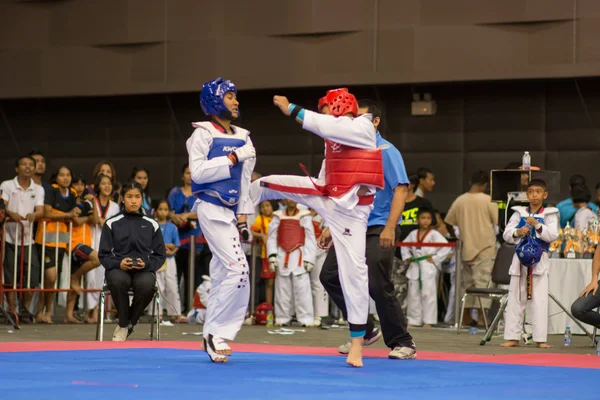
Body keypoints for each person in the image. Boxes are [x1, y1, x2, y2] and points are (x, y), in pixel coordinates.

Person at [252, 88, 385, 368]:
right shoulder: (331, 138)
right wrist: (324, 220)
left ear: (338, 108)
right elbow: (328, 171)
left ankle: (358, 342)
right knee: (265, 183)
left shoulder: (361, 125)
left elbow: (328, 125)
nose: (322, 116)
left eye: (325, 110)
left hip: (352, 212)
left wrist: (292, 110)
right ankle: (238, 213)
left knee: (354, 273)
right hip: (326, 195)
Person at [318, 98, 416, 360]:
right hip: (350, 224)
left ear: (375, 121)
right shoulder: (350, 150)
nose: (355, 123)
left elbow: (401, 189)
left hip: (377, 225)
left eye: (362, 118)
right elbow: (346, 192)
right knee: (328, 276)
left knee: (376, 281)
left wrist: (390, 227)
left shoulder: (385, 150)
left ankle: (402, 341)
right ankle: (367, 329)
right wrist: (331, 226)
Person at [187, 77, 256, 362]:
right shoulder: (202, 134)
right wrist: (231, 158)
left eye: (236, 96)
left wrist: (243, 218)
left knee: (221, 274)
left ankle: (210, 334)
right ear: (215, 101)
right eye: (229, 96)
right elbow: (198, 173)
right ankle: (217, 332)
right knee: (238, 270)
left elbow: (245, 181)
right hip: (210, 207)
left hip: (230, 211)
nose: (236, 101)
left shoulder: (244, 136)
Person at [98, 182, 166, 341]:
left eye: (137, 197)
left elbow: (160, 254)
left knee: (147, 285)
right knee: (116, 280)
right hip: (118, 268)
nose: (133, 201)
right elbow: (104, 254)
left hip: (143, 269)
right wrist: (118, 263)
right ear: (122, 199)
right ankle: (123, 324)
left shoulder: (152, 224)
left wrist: (147, 265)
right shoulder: (112, 223)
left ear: (142, 199)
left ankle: (128, 323)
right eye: (129, 197)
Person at [501, 179, 558, 348]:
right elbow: (506, 234)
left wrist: (538, 226)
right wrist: (518, 231)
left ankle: (540, 339)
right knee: (515, 298)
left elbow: (553, 235)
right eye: (531, 191)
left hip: (539, 258)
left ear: (544, 194)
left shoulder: (550, 214)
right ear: (527, 194)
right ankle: (513, 336)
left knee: (539, 299)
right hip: (520, 258)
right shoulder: (518, 213)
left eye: (538, 192)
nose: (534, 195)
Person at [445, 170, 498, 326]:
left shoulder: (459, 200)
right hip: (485, 246)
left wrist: (455, 237)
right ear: (485, 185)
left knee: (466, 284)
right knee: (483, 282)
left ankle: (466, 316)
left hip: (465, 246)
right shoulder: (488, 200)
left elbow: (448, 221)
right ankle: (482, 316)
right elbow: (498, 222)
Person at [34, 166, 83, 323]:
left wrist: (78, 209)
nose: (66, 178)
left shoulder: (73, 193)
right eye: (62, 175)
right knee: (50, 277)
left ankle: (45, 313)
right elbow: (47, 212)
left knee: (52, 280)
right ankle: (42, 311)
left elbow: (76, 211)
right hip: (46, 238)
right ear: (56, 178)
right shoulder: (51, 190)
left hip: (62, 241)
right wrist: (68, 214)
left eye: (68, 175)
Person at [0, 156, 44, 315]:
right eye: (24, 164)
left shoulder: (38, 188)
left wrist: (35, 214)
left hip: (28, 239)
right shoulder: (7, 185)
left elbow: (41, 210)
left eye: (31, 165)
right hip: (9, 238)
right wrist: (11, 213)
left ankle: (25, 310)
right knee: (10, 277)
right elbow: (2, 205)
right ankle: (12, 311)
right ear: (17, 168)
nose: (28, 167)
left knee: (32, 278)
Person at [267, 199, 316, 326]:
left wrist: (309, 258)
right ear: (285, 200)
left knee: (302, 290)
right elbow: (272, 237)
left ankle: (306, 319)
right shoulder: (278, 216)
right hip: (282, 255)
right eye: (289, 198)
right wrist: (272, 257)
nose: (292, 201)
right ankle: (282, 318)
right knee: (282, 290)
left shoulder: (304, 216)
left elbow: (310, 238)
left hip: (299, 255)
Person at [401, 208, 450, 328]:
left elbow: (446, 247)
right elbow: (404, 246)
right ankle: (414, 319)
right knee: (413, 294)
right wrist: (407, 257)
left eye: (428, 218)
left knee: (429, 294)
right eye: (423, 218)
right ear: (418, 220)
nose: (425, 221)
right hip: (415, 265)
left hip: (428, 265)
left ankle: (428, 321)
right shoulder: (413, 234)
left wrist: (436, 258)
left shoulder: (434, 234)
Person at [86, 174, 120, 323]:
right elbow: (93, 220)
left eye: (109, 184)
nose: (107, 186)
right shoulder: (91, 202)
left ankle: (98, 311)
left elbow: (116, 226)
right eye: (104, 183)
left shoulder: (115, 206)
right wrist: (93, 203)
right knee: (90, 278)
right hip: (92, 241)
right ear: (98, 186)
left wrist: (104, 222)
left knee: (101, 278)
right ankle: (90, 311)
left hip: (108, 244)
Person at [168, 163, 202, 312]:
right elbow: (167, 211)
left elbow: (203, 212)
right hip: (178, 239)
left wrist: (187, 215)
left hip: (195, 240)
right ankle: (175, 309)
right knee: (176, 275)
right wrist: (175, 217)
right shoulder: (175, 192)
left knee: (192, 276)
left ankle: (190, 308)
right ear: (182, 176)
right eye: (187, 173)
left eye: (192, 173)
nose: (190, 176)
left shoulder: (200, 192)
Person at [154, 199, 187, 323]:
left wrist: (172, 251)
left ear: (168, 211)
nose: (163, 212)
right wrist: (163, 247)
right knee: (158, 286)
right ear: (156, 211)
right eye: (160, 209)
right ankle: (157, 313)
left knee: (172, 286)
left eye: (165, 209)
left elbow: (177, 245)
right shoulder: (153, 225)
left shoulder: (172, 227)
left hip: (170, 259)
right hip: (157, 259)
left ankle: (175, 313)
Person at [250, 200, 277, 305]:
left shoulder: (278, 217)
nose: (265, 208)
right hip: (266, 254)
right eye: (262, 207)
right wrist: (261, 235)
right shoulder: (259, 219)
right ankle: (269, 309)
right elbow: (252, 231)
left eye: (267, 205)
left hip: (282, 253)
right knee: (269, 283)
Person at [309, 209, 329, 326]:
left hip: (319, 251)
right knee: (302, 284)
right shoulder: (301, 209)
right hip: (302, 250)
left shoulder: (323, 211)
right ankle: (303, 315)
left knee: (318, 283)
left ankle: (319, 315)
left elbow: (327, 231)